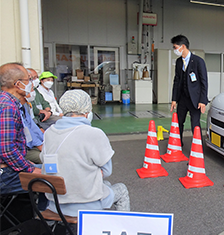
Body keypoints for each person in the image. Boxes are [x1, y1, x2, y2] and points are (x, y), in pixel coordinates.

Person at [41, 89, 129, 216]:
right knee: (121, 190)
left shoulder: (49, 132)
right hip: (87, 204)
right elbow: (107, 171)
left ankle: (67, 231)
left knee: (106, 184)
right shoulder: (94, 133)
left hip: (56, 204)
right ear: (86, 111)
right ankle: (121, 228)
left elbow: (43, 158)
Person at [0, 63, 42, 195]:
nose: (31, 83)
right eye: (28, 80)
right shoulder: (8, 107)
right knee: (54, 179)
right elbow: (7, 149)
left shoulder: (10, 103)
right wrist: (29, 168)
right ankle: (45, 214)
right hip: (5, 174)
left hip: (9, 167)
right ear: (18, 84)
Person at [170, 35, 208, 143]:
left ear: (183, 46)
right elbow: (176, 81)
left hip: (195, 100)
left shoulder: (198, 61)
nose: (174, 50)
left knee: (195, 124)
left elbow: (204, 82)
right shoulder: (178, 62)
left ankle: (198, 147)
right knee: (179, 122)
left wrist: (202, 101)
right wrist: (174, 99)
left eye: (175, 47)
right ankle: (178, 144)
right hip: (182, 98)